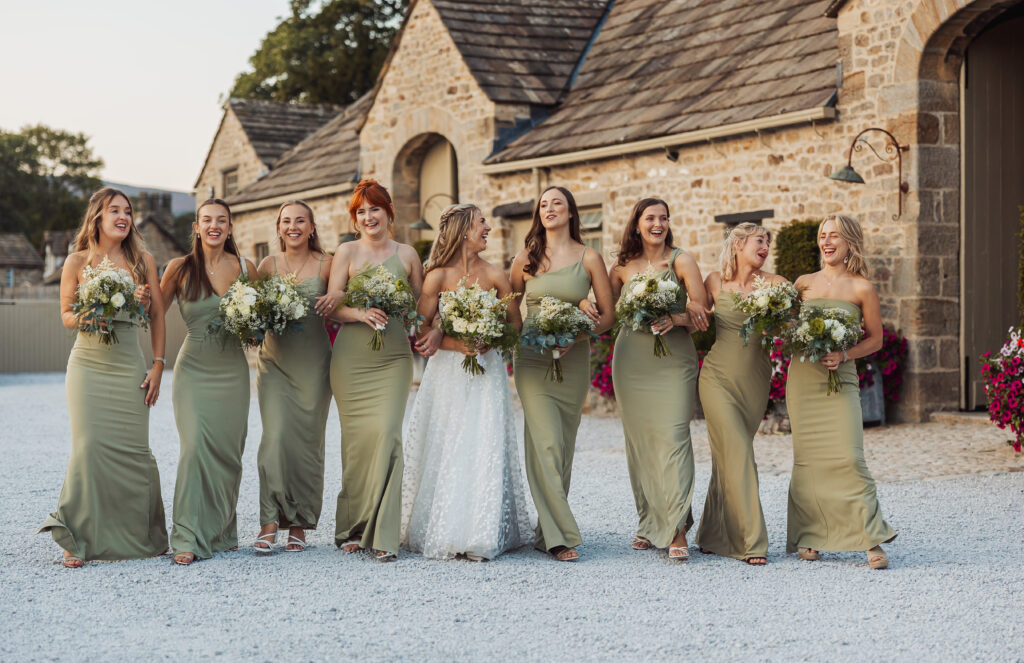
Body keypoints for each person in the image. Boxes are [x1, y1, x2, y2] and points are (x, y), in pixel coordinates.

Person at [40, 187, 168, 567]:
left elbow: (158, 315)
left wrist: (159, 364)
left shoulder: (144, 261)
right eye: (115, 210)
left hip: (130, 365)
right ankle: (76, 536)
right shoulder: (76, 260)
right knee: (89, 446)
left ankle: (142, 536)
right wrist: (86, 315)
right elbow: (65, 313)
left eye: (127, 211)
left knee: (133, 450)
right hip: (88, 367)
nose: (123, 217)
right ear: (97, 216)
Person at [400, 203, 533, 560]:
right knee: (448, 440)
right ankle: (443, 527)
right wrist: (458, 343)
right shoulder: (437, 277)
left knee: (483, 440)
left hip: (486, 372)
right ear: (462, 231)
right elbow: (421, 325)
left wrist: (488, 339)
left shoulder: (496, 276)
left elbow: (514, 327)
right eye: (481, 223)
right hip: (447, 372)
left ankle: (481, 531)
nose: (488, 228)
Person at [509, 186, 615, 562]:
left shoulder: (590, 258)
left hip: (573, 357)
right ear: (539, 215)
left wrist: (578, 333)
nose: (549, 208)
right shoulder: (525, 258)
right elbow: (511, 307)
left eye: (557, 203)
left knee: (563, 446)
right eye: (543, 204)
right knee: (546, 441)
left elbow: (608, 314)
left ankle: (545, 530)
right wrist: (523, 337)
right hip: (533, 359)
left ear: (571, 212)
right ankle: (560, 536)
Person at [787, 214, 897, 569]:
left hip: (843, 377)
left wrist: (845, 353)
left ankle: (870, 537)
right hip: (803, 378)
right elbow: (789, 329)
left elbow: (877, 339)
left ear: (850, 240)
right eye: (822, 235)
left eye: (834, 235)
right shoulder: (802, 283)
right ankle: (810, 534)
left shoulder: (862, 288)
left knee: (851, 456)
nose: (827, 241)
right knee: (808, 458)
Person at [327, 179, 424, 562]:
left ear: (389, 213)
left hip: (393, 358)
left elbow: (420, 307)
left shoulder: (408, 254)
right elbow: (331, 305)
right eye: (361, 211)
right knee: (357, 444)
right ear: (355, 218)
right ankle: (353, 527)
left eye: (375, 209)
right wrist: (360, 312)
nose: (368, 217)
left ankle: (383, 533)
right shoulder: (346, 252)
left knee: (387, 434)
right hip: (351, 358)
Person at [608, 197, 709, 560]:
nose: (658, 223)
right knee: (642, 443)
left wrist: (675, 318)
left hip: (674, 360)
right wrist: (582, 308)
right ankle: (650, 522)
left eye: (664, 218)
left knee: (673, 437)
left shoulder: (681, 260)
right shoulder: (620, 267)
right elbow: (610, 315)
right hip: (632, 358)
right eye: (650, 217)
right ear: (636, 224)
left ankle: (677, 528)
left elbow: (701, 311)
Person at [160, 198, 257, 566]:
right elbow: (154, 312)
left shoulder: (247, 268)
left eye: (222, 220)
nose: (214, 226)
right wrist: (155, 362)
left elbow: (263, 319)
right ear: (196, 227)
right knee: (196, 447)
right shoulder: (179, 268)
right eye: (207, 220)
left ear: (230, 227)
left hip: (233, 369)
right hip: (194, 369)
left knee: (228, 453)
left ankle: (221, 532)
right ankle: (187, 535)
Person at [252, 201, 337, 553]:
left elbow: (341, 302)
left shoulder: (328, 263)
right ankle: (269, 520)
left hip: (315, 365)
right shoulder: (266, 266)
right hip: (275, 364)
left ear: (312, 226)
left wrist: (340, 297)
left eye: (300, 220)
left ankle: (299, 524)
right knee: (274, 440)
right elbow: (251, 310)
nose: (293, 227)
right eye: (286, 221)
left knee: (307, 445)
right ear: (278, 227)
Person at [695, 222, 781, 565]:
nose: (765, 247)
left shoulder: (776, 285)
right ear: (739, 243)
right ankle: (751, 541)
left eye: (768, 243)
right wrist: (676, 316)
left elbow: (794, 322)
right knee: (739, 451)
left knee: (729, 455)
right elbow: (695, 316)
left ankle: (713, 535)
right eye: (760, 240)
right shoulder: (714, 282)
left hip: (755, 379)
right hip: (716, 377)